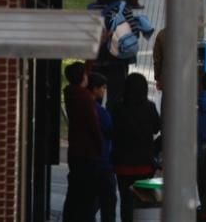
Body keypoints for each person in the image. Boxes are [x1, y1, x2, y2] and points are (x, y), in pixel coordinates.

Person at [109, 72, 160, 222]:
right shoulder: (149, 107)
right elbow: (157, 128)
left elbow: (113, 130)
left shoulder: (118, 108)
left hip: (123, 164)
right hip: (144, 164)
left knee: (126, 201)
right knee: (143, 201)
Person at [63, 62, 103, 222]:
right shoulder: (85, 98)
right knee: (87, 196)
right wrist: (100, 147)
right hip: (87, 153)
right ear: (82, 78)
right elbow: (94, 126)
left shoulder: (70, 94)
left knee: (74, 192)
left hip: (75, 151)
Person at [88, 73, 117, 222]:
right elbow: (110, 127)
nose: (105, 91)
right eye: (103, 88)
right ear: (95, 89)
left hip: (92, 160)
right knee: (108, 201)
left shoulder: (87, 105)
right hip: (103, 161)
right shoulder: (98, 109)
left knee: (92, 202)